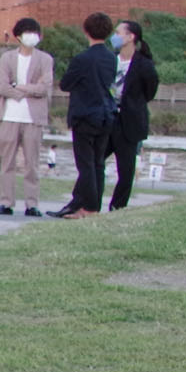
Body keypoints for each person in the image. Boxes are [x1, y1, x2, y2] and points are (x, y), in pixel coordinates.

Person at [54, 12, 118, 218]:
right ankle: (94, 205)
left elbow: (65, 84)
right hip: (106, 114)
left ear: (86, 31)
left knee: (86, 164)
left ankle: (88, 208)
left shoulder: (83, 58)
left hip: (85, 115)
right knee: (98, 163)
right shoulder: (111, 58)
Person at [0, 17, 53, 217]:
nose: (31, 36)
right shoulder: (7, 58)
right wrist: (22, 92)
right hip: (10, 115)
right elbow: (3, 87)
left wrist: (21, 87)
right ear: (18, 36)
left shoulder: (45, 59)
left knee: (32, 163)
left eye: (34, 32)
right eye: (27, 33)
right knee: (7, 162)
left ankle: (31, 204)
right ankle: (6, 202)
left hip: (33, 117)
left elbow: (44, 88)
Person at [106, 18, 160, 210]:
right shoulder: (110, 59)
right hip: (107, 118)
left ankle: (117, 206)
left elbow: (149, 91)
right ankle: (86, 202)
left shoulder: (143, 64)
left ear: (131, 37)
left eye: (119, 33)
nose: (115, 37)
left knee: (126, 170)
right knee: (94, 161)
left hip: (129, 122)